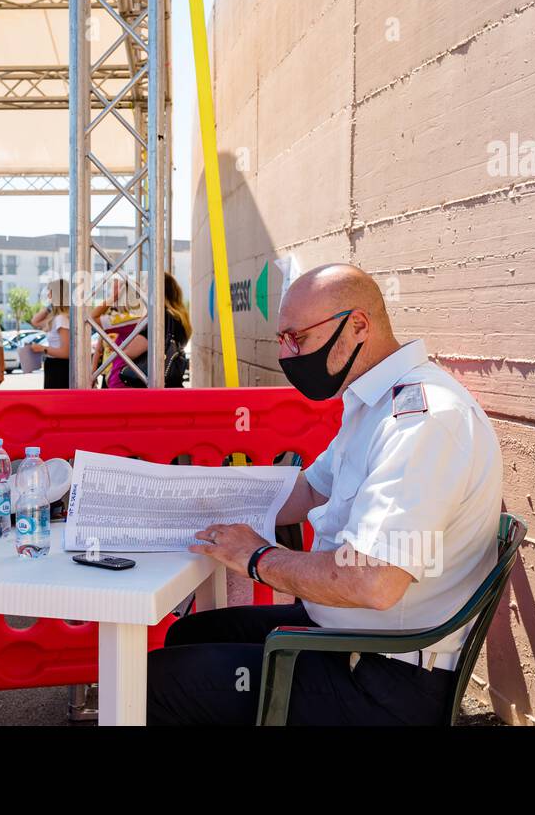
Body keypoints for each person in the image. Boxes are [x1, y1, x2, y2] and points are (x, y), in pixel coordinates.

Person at [147, 264, 502, 725]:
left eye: (299, 339)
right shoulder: (374, 401)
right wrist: (186, 499)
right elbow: (310, 488)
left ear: (358, 326)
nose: (288, 355)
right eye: (282, 340)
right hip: (342, 636)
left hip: (381, 680)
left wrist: (258, 559)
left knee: (151, 684)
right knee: (188, 637)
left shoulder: (422, 421)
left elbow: (374, 581)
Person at [97, 272, 191, 388]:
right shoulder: (178, 318)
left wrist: (116, 354)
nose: (141, 293)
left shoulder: (160, 317)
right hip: (170, 382)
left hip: (150, 385)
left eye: (145, 288)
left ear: (155, 292)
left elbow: (132, 351)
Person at [31, 279, 71, 389]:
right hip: (56, 367)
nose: (48, 295)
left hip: (59, 368)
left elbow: (66, 352)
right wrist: (50, 307)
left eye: (50, 292)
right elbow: (35, 321)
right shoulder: (58, 317)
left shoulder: (61, 319)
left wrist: (42, 349)